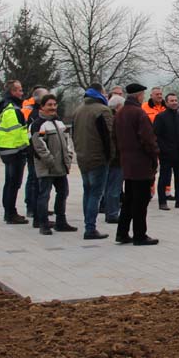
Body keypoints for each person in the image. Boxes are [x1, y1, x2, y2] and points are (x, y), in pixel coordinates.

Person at [113, 84, 159, 246]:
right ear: (139, 95)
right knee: (141, 201)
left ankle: (122, 232)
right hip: (141, 164)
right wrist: (154, 156)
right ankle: (140, 234)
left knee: (129, 200)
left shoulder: (120, 114)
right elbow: (148, 139)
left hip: (127, 163)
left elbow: (114, 138)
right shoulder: (139, 113)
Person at [70, 82, 114, 240]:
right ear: (100, 92)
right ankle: (90, 228)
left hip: (83, 157)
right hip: (98, 158)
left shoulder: (77, 111)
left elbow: (73, 134)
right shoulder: (102, 110)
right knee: (95, 193)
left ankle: (88, 224)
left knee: (87, 192)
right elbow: (108, 137)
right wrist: (110, 157)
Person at [29, 94, 77, 235]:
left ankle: (61, 222)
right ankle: (43, 224)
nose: (53, 107)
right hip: (47, 167)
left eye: (54, 104)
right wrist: (50, 161)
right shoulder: (37, 124)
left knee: (63, 193)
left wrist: (68, 156)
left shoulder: (59, 123)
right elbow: (38, 146)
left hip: (61, 167)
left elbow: (68, 141)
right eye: (49, 105)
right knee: (44, 195)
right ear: (42, 107)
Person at [0, 80, 30, 225]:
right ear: (13, 92)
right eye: (20, 90)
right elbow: (18, 133)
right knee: (13, 183)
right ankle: (10, 213)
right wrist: (26, 148)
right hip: (14, 151)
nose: (22, 93)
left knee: (9, 183)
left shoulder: (4, 106)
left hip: (6, 150)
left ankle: (9, 212)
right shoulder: (13, 109)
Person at [154, 92, 179, 210]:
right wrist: (163, 150)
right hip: (166, 154)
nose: (174, 103)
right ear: (166, 102)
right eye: (172, 101)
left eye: (176, 100)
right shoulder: (161, 117)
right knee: (164, 178)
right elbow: (156, 136)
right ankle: (162, 202)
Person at [22, 85, 47, 220]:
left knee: (36, 179)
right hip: (33, 151)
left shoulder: (37, 113)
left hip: (35, 150)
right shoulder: (35, 115)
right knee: (33, 179)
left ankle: (38, 206)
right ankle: (31, 207)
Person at [102, 94, 125, 225]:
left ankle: (109, 211)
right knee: (114, 188)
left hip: (109, 158)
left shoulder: (107, 118)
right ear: (117, 107)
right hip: (116, 158)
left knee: (109, 187)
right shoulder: (115, 121)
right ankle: (112, 213)